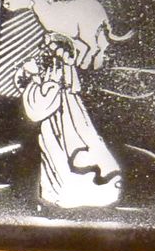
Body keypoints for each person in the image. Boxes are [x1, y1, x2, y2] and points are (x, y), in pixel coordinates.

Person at [17, 34, 122, 209]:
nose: (42, 52)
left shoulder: (56, 82)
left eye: (47, 49)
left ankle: (77, 193)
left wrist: (35, 79)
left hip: (64, 124)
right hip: (60, 123)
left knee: (67, 154)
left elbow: (37, 109)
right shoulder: (58, 83)